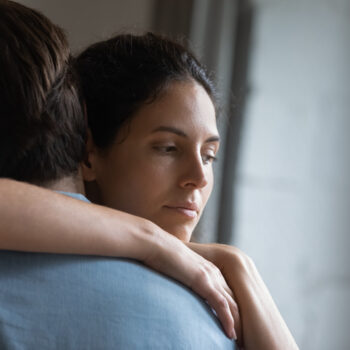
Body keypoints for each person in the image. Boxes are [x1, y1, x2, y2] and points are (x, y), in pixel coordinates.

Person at [0, 2, 298, 349]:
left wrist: (237, 266)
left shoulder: (221, 303)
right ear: (87, 150)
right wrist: (152, 241)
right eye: (168, 148)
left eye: (210, 155)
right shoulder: (208, 314)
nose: (199, 177)